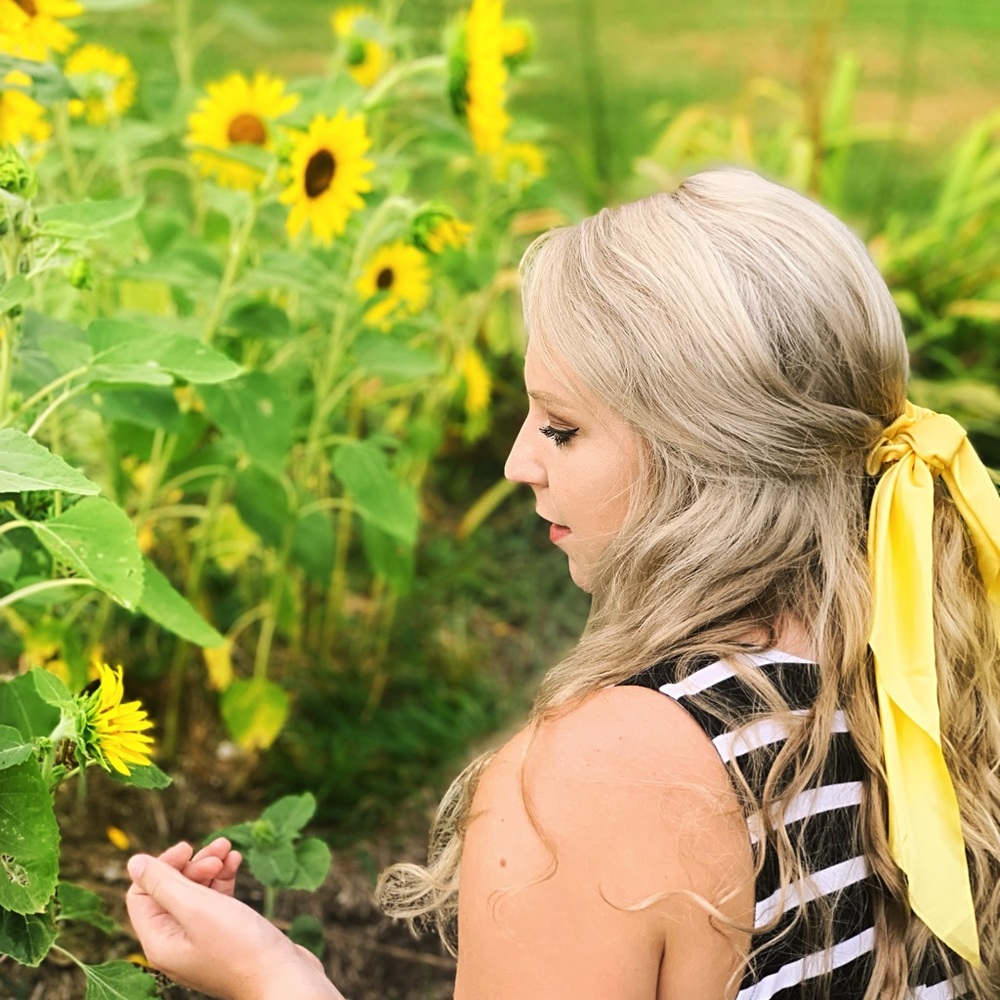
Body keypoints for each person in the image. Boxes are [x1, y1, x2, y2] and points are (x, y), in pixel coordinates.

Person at [126, 168, 1000, 1000]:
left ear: (706, 452)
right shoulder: (937, 663)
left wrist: (275, 979)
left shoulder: (608, 779)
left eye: (562, 427)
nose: (516, 463)